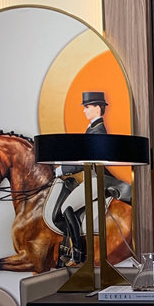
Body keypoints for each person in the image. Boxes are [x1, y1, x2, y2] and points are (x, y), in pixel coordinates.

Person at [56, 92, 129, 265]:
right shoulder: (92, 128)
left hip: (96, 179)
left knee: (66, 207)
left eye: (87, 107)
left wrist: (63, 169)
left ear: (97, 108)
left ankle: (78, 253)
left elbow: (86, 160)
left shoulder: (98, 132)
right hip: (92, 177)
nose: (84, 110)